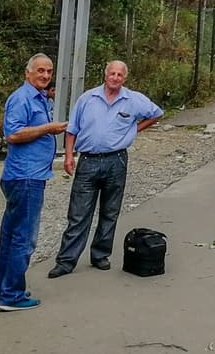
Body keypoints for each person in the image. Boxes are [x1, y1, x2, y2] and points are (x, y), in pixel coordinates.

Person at [48, 60, 163, 278]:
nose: (115, 78)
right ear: (105, 75)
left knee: (110, 211)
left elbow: (157, 113)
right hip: (88, 161)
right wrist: (69, 156)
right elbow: (72, 129)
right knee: (78, 213)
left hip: (116, 160)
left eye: (120, 75)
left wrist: (134, 130)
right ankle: (66, 261)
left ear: (125, 78)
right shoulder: (87, 98)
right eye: (112, 73)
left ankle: (100, 254)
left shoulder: (133, 100)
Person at [0, 54, 68, 311]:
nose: (45, 75)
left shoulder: (39, 97)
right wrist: (48, 128)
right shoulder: (22, 98)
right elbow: (13, 134)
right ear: (28, 73)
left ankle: (1, 291)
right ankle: (12, 296)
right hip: (25, 177)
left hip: (28, 176)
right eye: (40, 71)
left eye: (49, 71)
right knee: (24, 238)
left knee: (11, 236)